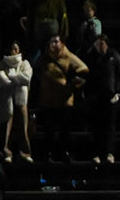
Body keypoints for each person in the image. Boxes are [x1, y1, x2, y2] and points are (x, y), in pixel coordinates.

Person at [37, 35, 87, 163]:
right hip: (48, 100)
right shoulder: (43, 58)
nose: (53, 44)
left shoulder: (68, 56)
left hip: (64, 100)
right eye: (51, 42)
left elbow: (83, 68)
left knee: (65, 130)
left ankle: (64, 153)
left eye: (56, 41)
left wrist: (72, 81)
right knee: (49, 131)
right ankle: (48, 154)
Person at [82, 34, 120, 165]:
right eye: (97, 44)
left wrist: (117, 91)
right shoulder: (91, 57)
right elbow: (85, 74)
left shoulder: (113, 55)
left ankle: (109, 153)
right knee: (95, 127)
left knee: (109, 126)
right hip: (95, 97)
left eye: (102, 44)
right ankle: (96, 153)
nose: (100, 47)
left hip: (110, 97)